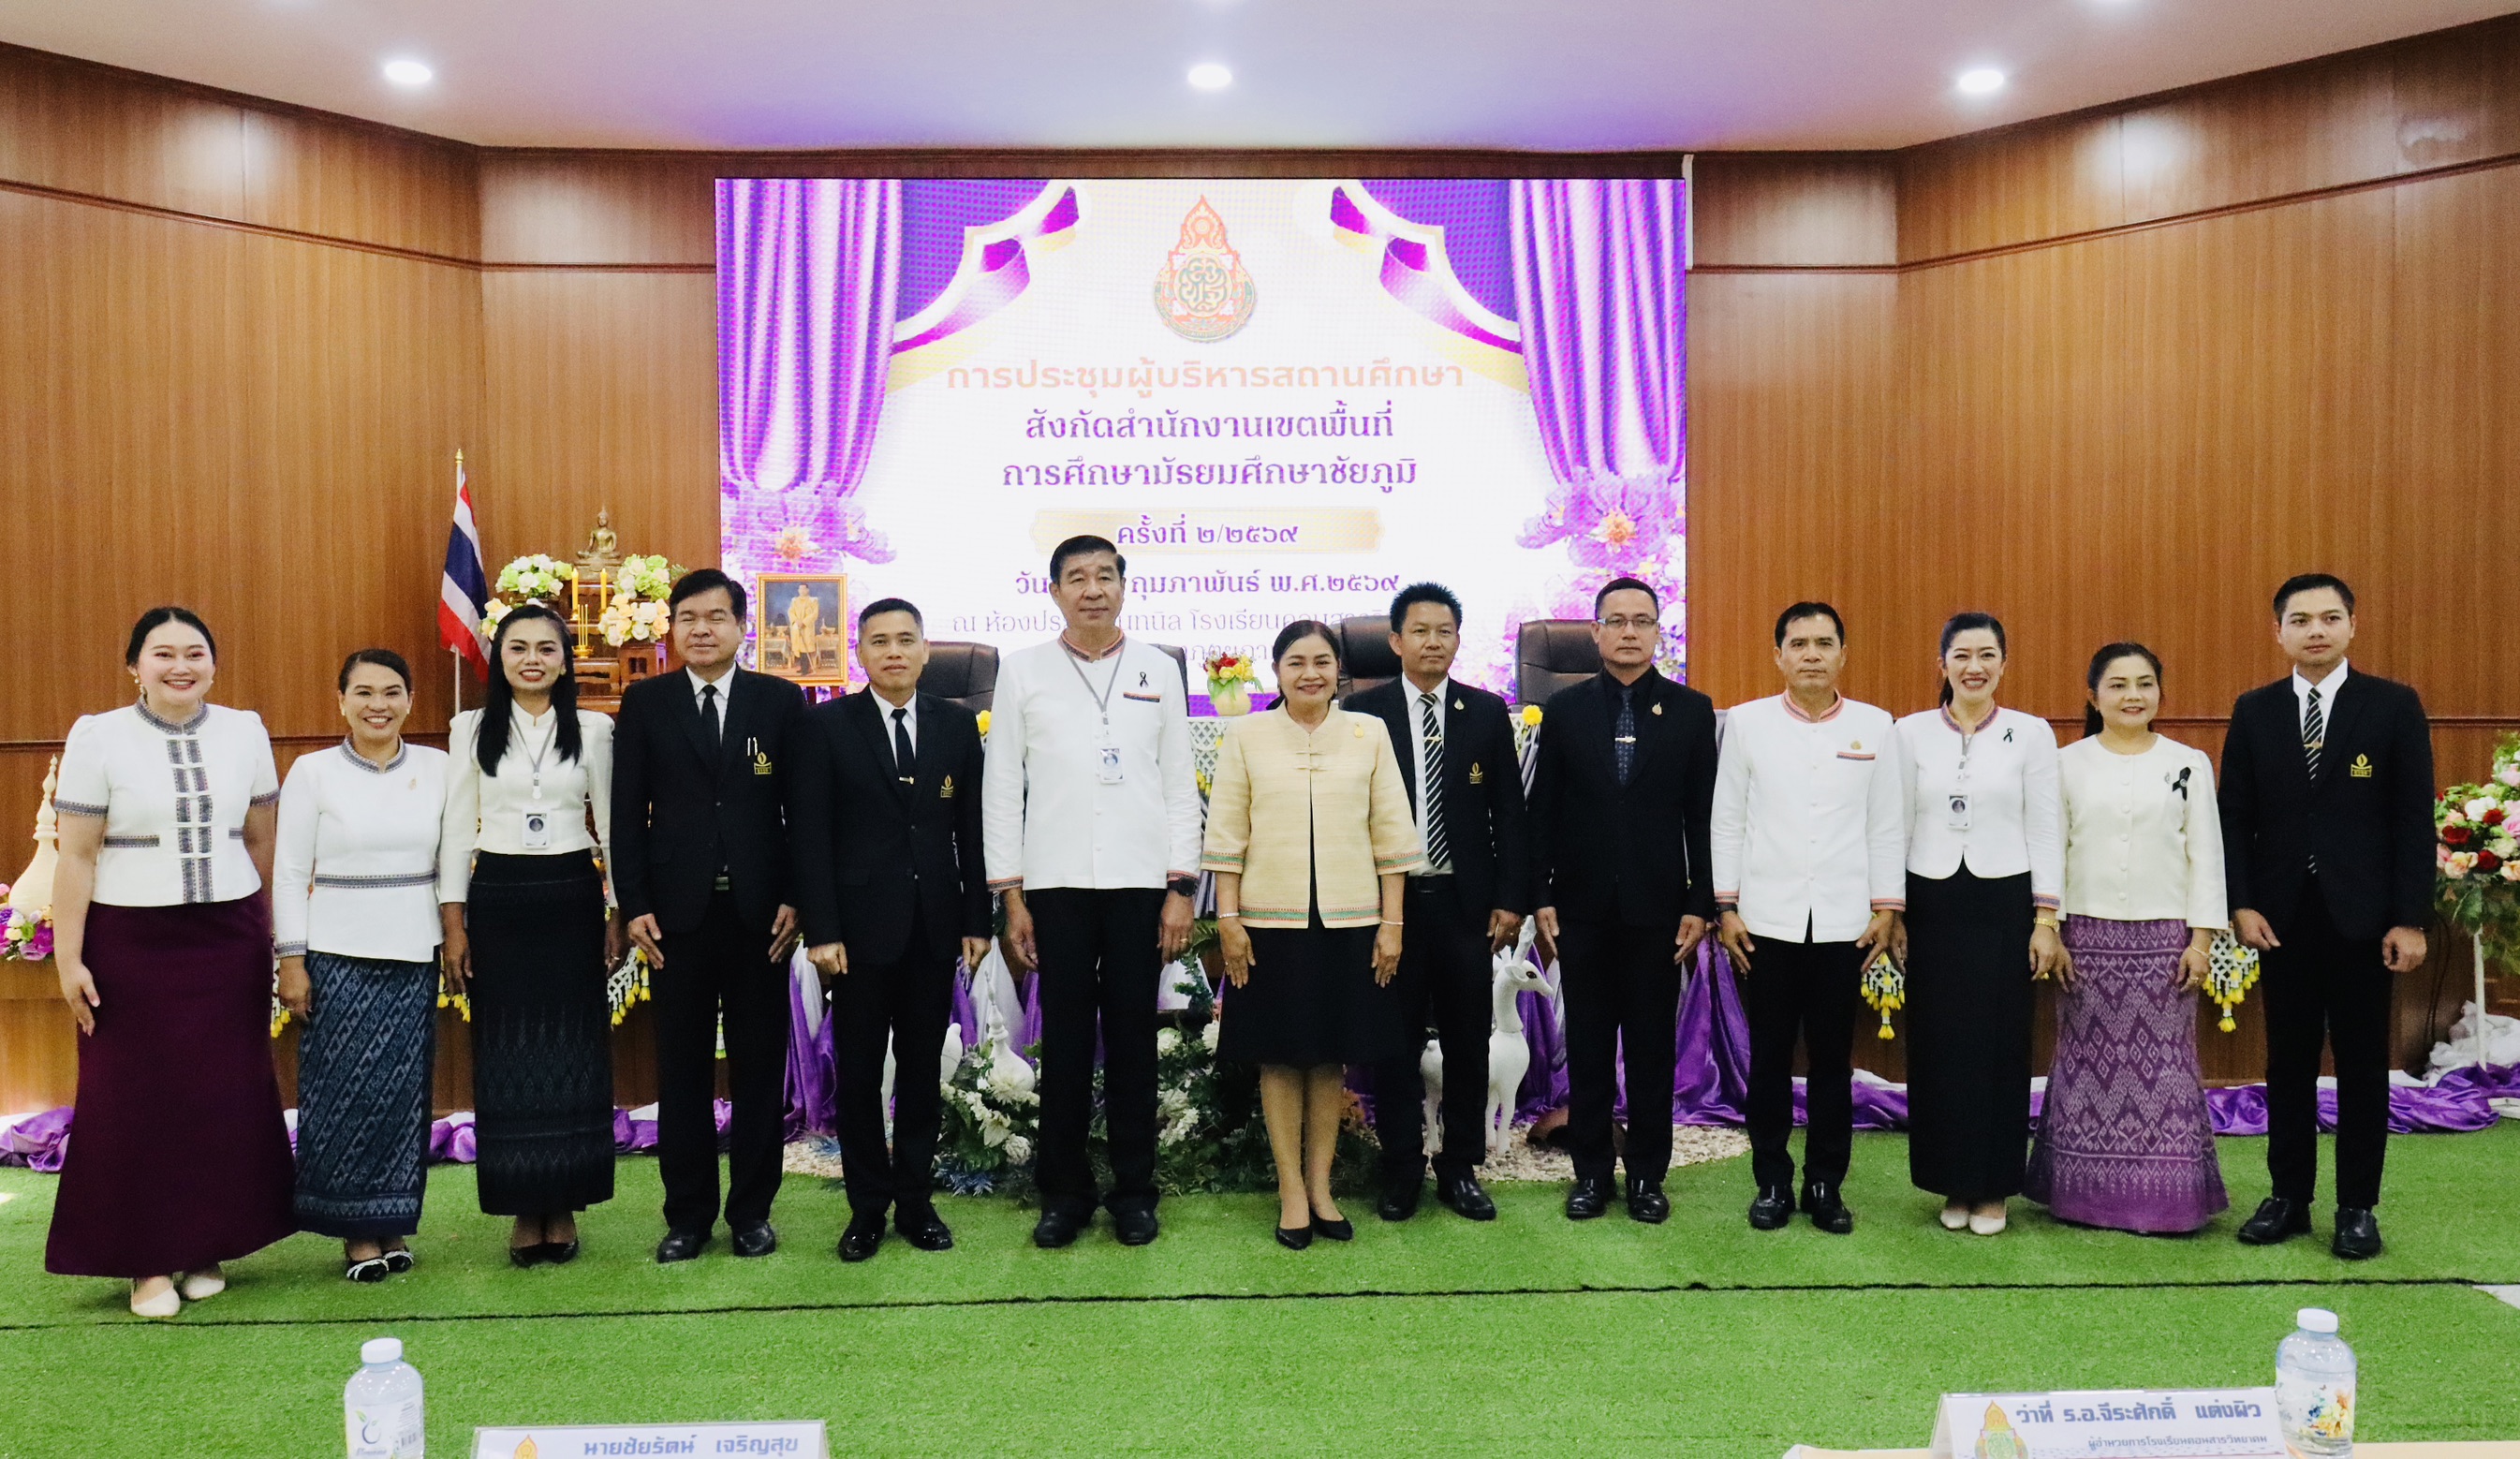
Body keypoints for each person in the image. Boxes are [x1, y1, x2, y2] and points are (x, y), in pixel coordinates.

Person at [43, 608, 293, 1318]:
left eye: (195, 652)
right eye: (163, 653)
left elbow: (260, 838)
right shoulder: (99, 736)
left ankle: (205, 1243)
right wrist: (69, 960)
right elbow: (78, 855)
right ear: (135, 666)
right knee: (133, 1099)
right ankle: (147, 1261)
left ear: (214, 663)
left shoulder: (244, 730)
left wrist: (263, 930)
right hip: (130, 941)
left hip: (227, 935)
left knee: (221, 1092)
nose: (180, 665)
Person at [983, 535, 1203, 1249]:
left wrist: (1180, 888)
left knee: (1136, 1041)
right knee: (1069, 1044)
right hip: (1057, 884)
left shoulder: (1157, 669)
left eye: (1105, 576)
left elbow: (1177, 784)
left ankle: (1134, 1193)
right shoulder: (1022, 672)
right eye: (1076, 578)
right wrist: (1011, 896)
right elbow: (1000, 789)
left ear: (1123, 587)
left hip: (1141, 884)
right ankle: (1065, 1193)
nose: (1092, 590)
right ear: (1053, 592)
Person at [2219, 574, 2432, 1260]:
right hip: (2279, 919)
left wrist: (2409, 918)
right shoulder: (2253, 711)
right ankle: (2287, 1198)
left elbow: (2410, 820)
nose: (2315, 629)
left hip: (2365, 922)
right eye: (2300, 619)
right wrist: (2241, 903)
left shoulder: (2392, 707)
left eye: (2329, 617)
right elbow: (2235, 818)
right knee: (2285, 1062)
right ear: (2277, 631)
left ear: (2350, 626)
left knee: (2364, 1066)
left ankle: (2356, 1208)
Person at [612, 567, 806, 1264]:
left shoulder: (782, 701)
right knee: (682, 1072)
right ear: (671, 629)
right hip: (676, 921)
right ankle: (687, 1217)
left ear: (741, 625)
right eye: (687, 617)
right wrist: (633, 905)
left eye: (715, 617)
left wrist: (798, 897)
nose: (700, 629)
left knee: (759, 1069)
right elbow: (626, 815)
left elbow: (803, 814)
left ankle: (752, 1213)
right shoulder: (646, 704)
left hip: (762, 919)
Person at [1207, 621, 1423, 1247]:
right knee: (1278, 1059)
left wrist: (1392, 924)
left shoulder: (1368, 733)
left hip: (1352, 921)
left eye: (1322, 661)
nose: (1310, 673)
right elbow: (1226, 837)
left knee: (1330, 1058)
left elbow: (1392, 836)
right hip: (1266, 924)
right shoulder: (1246, 735)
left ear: (1339, 671)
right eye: (1296, 661)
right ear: (1275, 672)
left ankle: (1322, 1186)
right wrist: (1227, 921)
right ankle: (1291, 1193)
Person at [793, 598, 992, 1261]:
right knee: (858, 1077)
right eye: (879, 641)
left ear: (926, 650)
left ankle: (915, 1201)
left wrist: (974, 920)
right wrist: (821, 930)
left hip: (934, 930)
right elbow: (811, 836)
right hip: (854, 935)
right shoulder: (827, 726)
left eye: (906, 639)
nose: (894, 652)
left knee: (919, 1073)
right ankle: (866, 1209)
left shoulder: (956, 727)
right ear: (861, 653)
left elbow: (970, 830)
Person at [1711, 603, 1904, 1235]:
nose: (1811, 654)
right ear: (1778, 655)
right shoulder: (1744, 724)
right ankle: (1770, 1181)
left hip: (1845, 924)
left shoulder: (1877, 728)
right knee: (1766, 1059)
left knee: (1830, 1062)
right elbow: (1728, 819)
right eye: (1799, 643)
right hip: (1764, 920)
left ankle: (1824, 1183)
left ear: (1843, 654)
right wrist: (1727, 905)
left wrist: (1885, 907)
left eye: (1824, 643)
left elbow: (1886, 824)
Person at [439, 603, 623, 1266]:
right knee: (508, 1050)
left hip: (572, 893)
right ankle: (524, 1206)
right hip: (500, 898)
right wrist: (453, 920)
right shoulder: (470, 728)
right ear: (500, 658)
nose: (533, 659)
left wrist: (616, 909)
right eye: (518, 648)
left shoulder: (596, 729)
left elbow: (613, 824)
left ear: (565, 658)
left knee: (574, 1049)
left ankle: (565, 1203)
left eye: (547, 648)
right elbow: (458, 828)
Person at [1529, 577, 1718, 1225]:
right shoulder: (1564, 710)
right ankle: (1589, 1174)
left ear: (1659, 631)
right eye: (1617, 621)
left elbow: (1702, 819)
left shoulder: (1692, 711)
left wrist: (1700, 904)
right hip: (1580, 910)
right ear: (1595, 633)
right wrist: (1541, 896)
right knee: (1584, 1046)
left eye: (1643, 620)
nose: (1629, 632)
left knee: (1647, 1051)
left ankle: (1645, 1176)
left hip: (1658, 913)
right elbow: (1542, 814)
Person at [2025, 643, 2230, 1234]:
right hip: (2083, 940)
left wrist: (2201, 942)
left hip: (2167, 941)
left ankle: (2169, 1202)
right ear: (2093, 696)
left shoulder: (2189, 762)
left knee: (2166, 1069)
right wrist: (2050, 928)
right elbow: (2052, 852)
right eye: (2117, 685)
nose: (2132, 696)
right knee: (2085, 1068)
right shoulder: (2064, 764)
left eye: (2144, 684)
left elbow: (2206, 857)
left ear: (2160, 693)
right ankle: (2081, 1197)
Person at [1346, 582, 1528, 1223]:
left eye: (1444, 631)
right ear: (1395, 641)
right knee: (1392, 1041)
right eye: (1418, 630)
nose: (1432, 641)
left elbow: (1509, 810)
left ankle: (1459, 1167)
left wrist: (1511, 898)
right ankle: (1400, 1168)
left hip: (1464, 903)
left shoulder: (1483, 711)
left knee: (1466, 1039)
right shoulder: (1360, 714)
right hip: (1386, 906)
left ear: (1457, 639)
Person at [273, 649, 449, 1279]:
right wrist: (291, 960)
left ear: (409, 701)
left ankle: (393, 1220)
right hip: (334, 956)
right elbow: (291, 873)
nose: (379, 704)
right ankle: (353, 1232)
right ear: (340, 701)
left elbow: (453, 861)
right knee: (340, 1094)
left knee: (400, 1096)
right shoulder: (312, 773)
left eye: (392, 692)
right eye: (365, 692)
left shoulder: (439, 768)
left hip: (411, 952)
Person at [1894, 612, 2066, 1236]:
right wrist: (1891, 910)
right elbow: (1891, 824)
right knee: (1938, 1044)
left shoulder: (2030, 733)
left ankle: (1992, 1187)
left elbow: (2045, 825)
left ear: (2002, 663)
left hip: (2004, 902)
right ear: (1941, 664)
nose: (1974, 666)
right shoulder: (1908, 734)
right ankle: (1950, 1180)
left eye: (1986, 654)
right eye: (1961, 654)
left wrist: (2045, 917)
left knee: (1999, 1042)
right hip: (1931, 900)